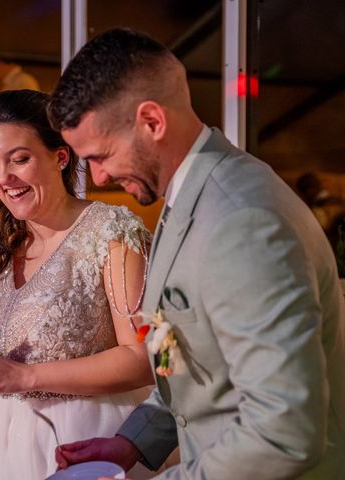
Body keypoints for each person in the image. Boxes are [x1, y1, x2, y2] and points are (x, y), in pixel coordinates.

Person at [47, 28, 345, 479]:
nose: (100, 176)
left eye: (101, 155)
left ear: (152, 121)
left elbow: (284, 430)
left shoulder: (242, 221)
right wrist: (130, 442)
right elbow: (199, 365)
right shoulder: (188, 197)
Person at [0, 89, 156, 479]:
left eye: (19, 159)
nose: (3, 178)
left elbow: (142, 359)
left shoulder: (111, 233)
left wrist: (23, 376)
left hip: (76, 439)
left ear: (60, 156)